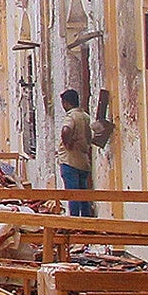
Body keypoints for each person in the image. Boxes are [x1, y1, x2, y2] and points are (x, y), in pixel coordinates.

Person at [57, 89, 96, 217]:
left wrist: (67, 143)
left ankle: (74, 222)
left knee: (73, 194)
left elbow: (66, 130)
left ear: (66, 103)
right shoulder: (85, 116)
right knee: (84, 194)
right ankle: (86, 221)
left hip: (70, 161)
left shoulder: (71, 116)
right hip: (83, 160)